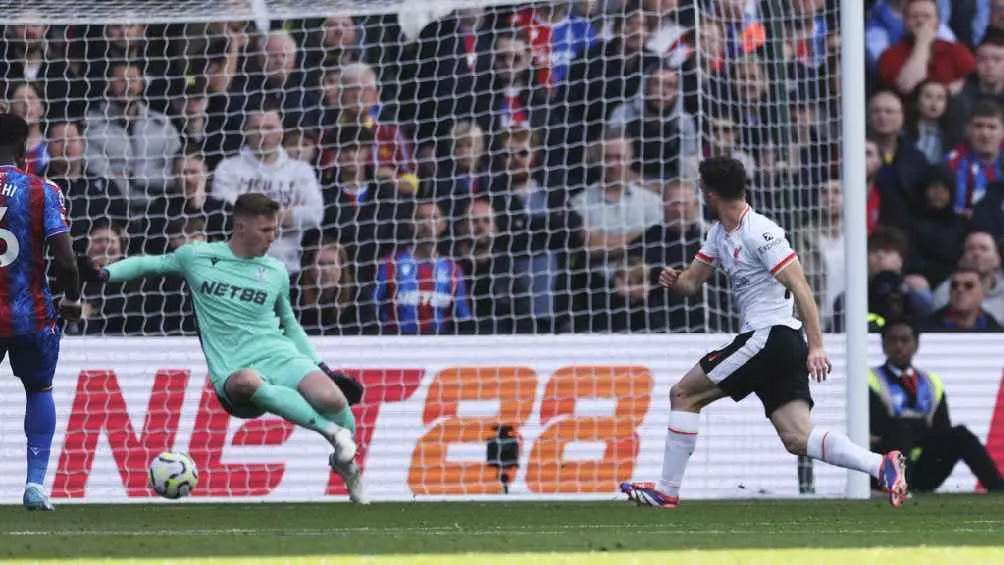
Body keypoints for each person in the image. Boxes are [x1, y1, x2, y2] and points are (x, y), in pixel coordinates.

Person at [620, 156, 910, 509]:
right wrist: (672, 281)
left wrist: (817, 347)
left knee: (683, 394)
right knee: (797, 437)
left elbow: (802, 287)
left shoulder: (761, 231)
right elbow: (691, 284)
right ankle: (881, 465)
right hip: (778, 344)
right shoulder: (718, 234)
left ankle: (666, 490)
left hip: (770, 336)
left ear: (709, 194)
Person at [75, 192, 368, 504]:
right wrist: (104, 274)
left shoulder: (275, 271)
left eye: (274, 229)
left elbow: (290, 325)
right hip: (232, 368)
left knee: (332, 398)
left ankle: (346, 465)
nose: (274, 237)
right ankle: (332, 434)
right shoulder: (197, 257)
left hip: (279, 354)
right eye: (266, 230)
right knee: (248, 382)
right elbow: (150, 264)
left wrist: (324, 369)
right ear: (241, 227)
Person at [0, 113, 81, 510]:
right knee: (39, 389)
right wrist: (72, 298)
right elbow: (65, 259)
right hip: (30, 314)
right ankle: (35, 485)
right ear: (23, 146)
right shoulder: (41, 190)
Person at [871, 318, 1004, 491]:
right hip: (885, 464)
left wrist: (911, 426)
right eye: (893, 340)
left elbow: (942, 429)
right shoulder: (871, 379)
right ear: (883, 345)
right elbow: (879, 426)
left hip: (923, 464)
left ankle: (998, 489)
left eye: (905, 340)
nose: (899, 346)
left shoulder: (931, 383)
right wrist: (913, 426)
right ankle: (898, 488)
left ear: (916, 344)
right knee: (899, 430)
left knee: (960, 435)